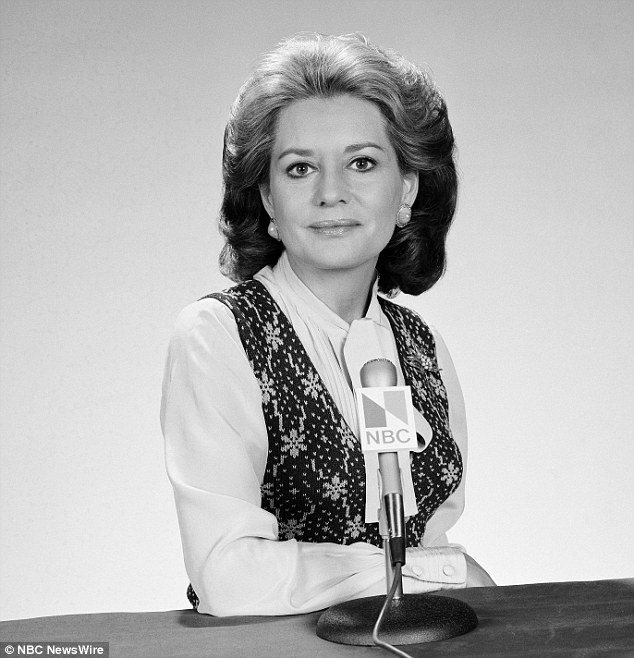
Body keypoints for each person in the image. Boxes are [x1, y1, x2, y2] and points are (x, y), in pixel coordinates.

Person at [161, 32, 495, 617]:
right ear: (268, 198)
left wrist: (429, 569)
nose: (331, 193)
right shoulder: (218, 335)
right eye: (300, 169)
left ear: (407, 189)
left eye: (361, 163)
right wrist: (433, 571)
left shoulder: (422, 347)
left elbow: (429, 539)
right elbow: (227, 576)